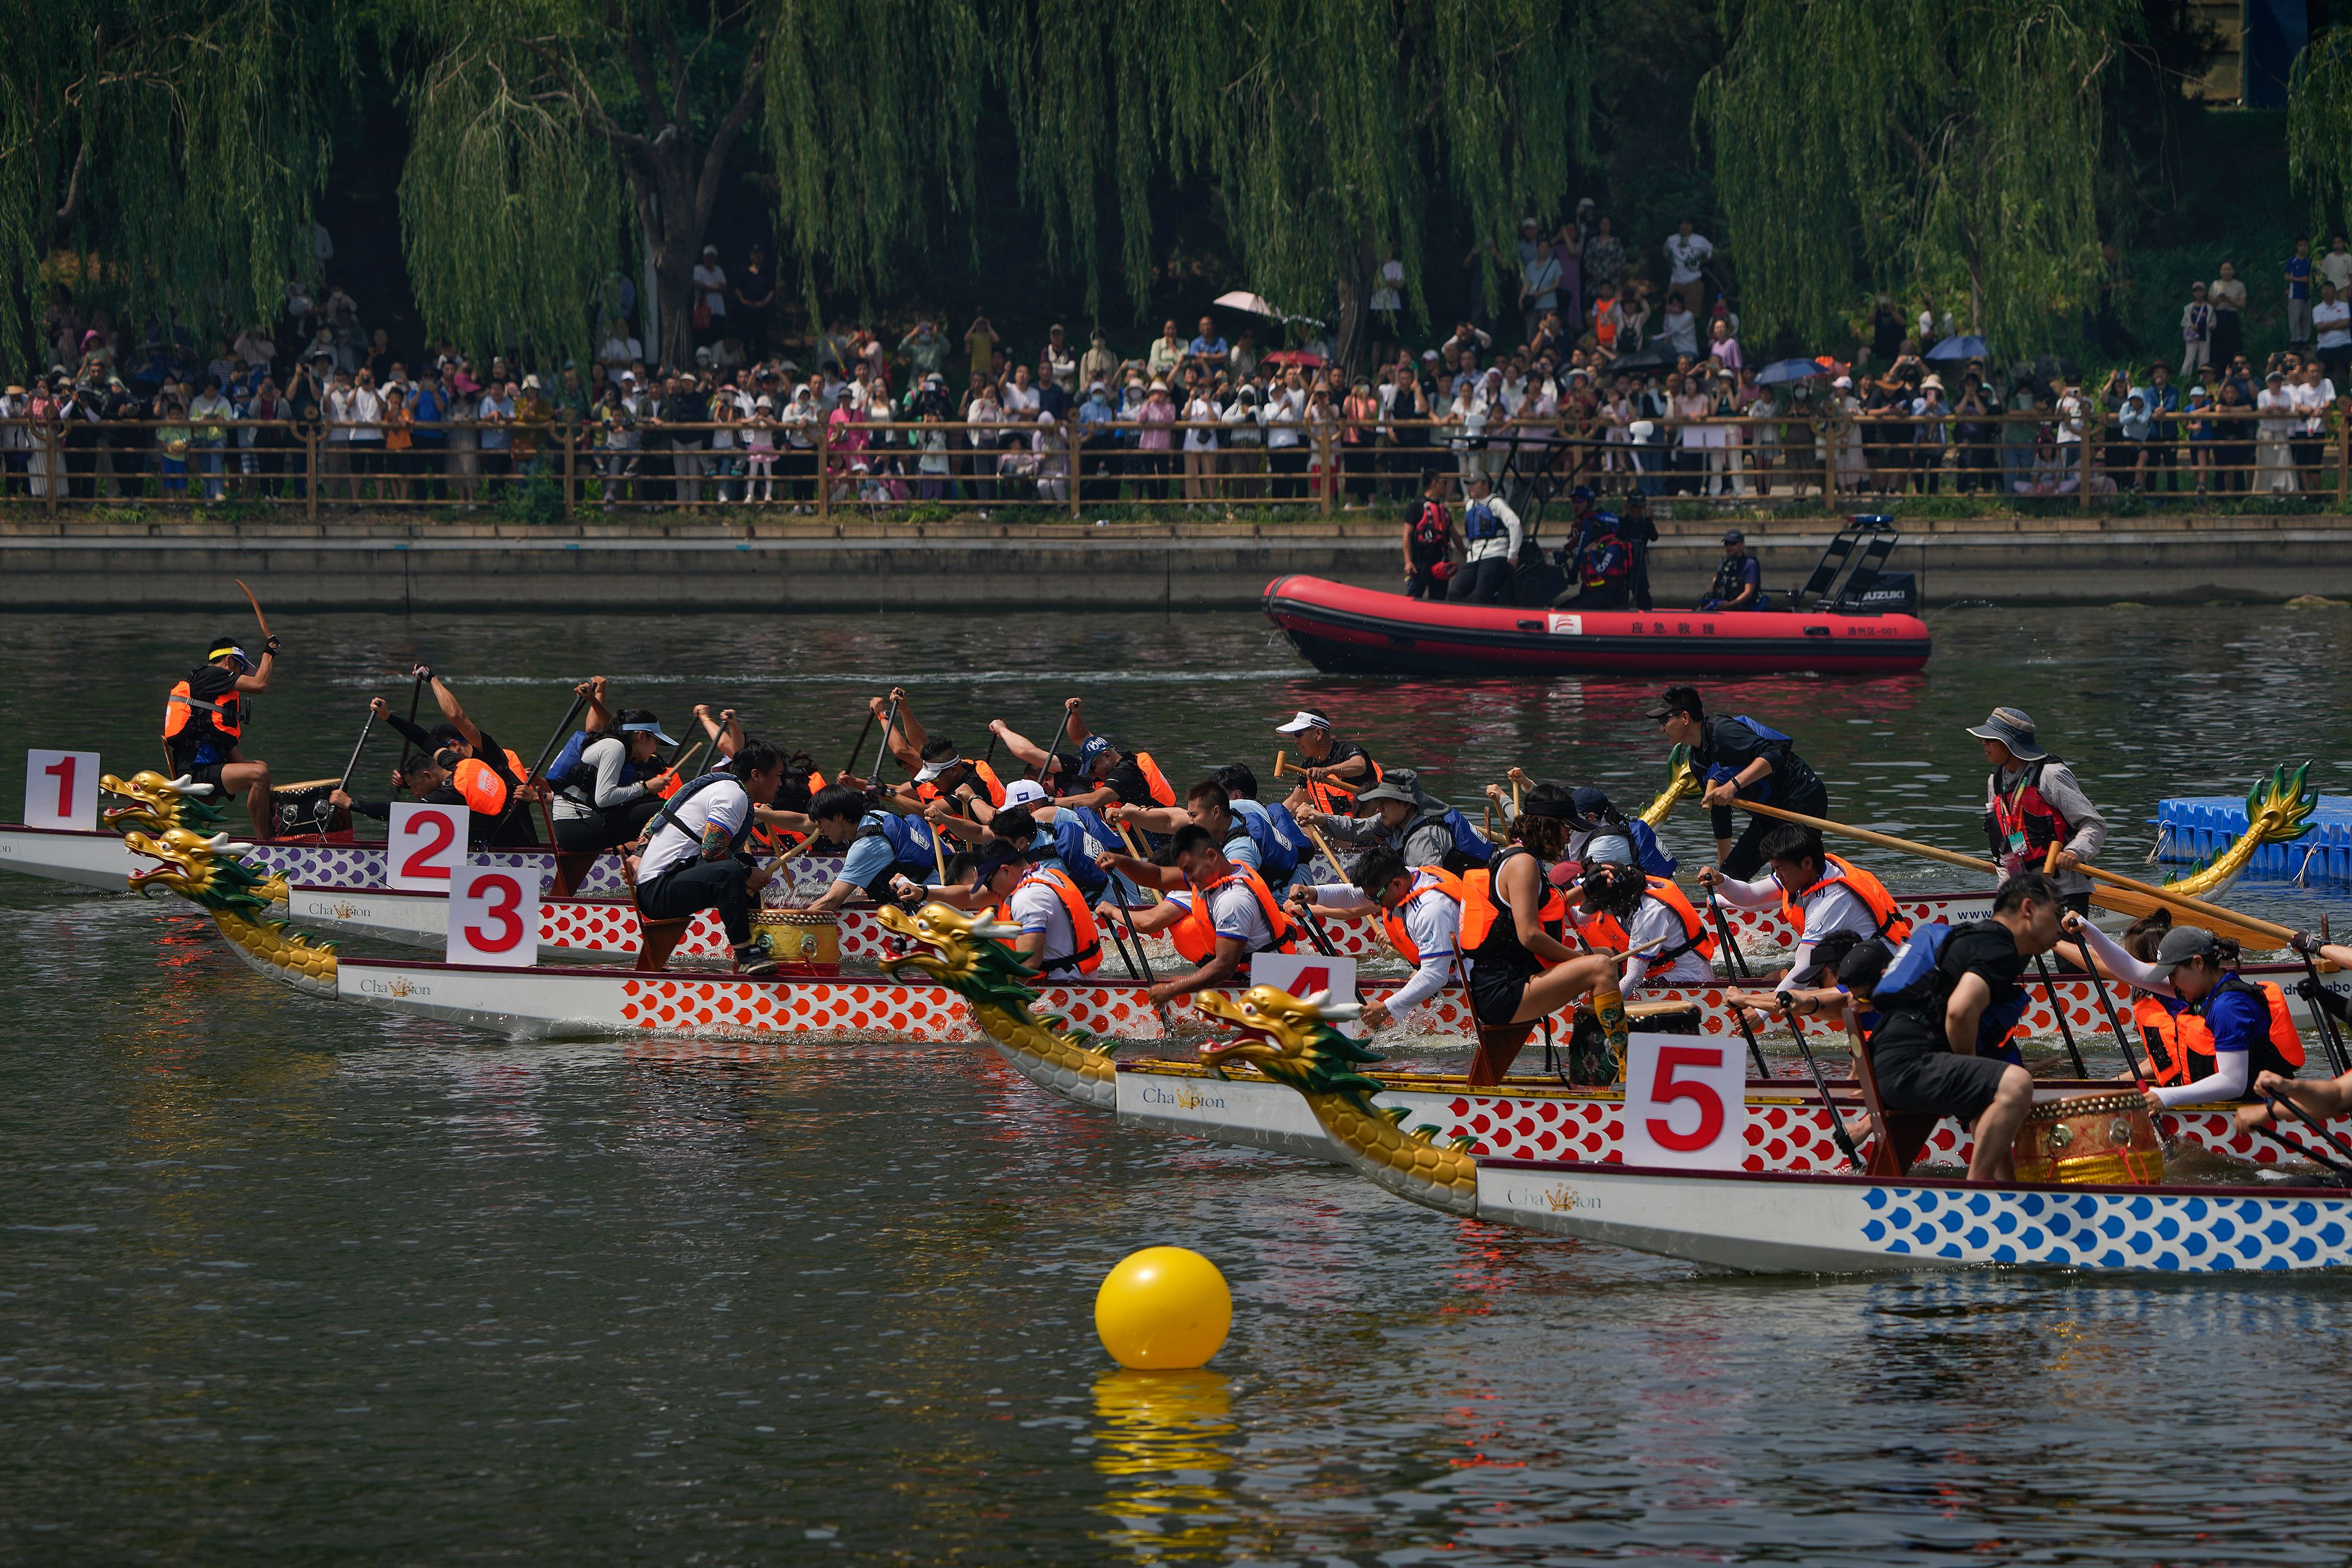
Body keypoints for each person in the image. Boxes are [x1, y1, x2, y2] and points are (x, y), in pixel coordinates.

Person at [1862, 873, 2065, 1182]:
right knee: (2017, 1084)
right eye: (2055, 914)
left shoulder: (1979, 937)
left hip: (1891, 1061)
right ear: (2028, 909)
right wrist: (1969, 1066)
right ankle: (1977, 1196)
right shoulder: (2000, 948)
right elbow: (1960, 1011)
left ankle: (2007, 1190)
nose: (2060, 928)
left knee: (1996, 1086)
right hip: (1908, 1065)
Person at [2069, 916, 2302, 1109]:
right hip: (2227, 1108)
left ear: (2198, 964)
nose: (2170, 984)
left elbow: (2233, 1083)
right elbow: (2130, 970)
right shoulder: (2202, 989)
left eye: (2173, 975)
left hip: (2260, 1111)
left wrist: (2168, 1097)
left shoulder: (2228, 1007)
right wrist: (2089, 930)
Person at [1698, 824, 1910, 1018]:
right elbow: (1752, 896)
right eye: (1774, 868)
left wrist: (1761, 1013)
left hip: (1873, 978)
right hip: (1850, 957)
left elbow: (1804, 968)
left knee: (1789, 983)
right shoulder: (1813, 870)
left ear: (1807, 863)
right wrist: (1720, 881)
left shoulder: (1830, 902)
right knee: (1771, 979)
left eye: (1780, 868)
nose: (1777, 874)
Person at [1094, 823, 1297, 1006]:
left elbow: (1224, 967)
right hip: (1251, 978)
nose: (1189, 879)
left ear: (1211, 856)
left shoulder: (1232, 901)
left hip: (1271, 991)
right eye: (1185, 871)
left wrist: (1172, 990)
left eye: (1191, 870)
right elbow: (1158, 876)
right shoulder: (1223, 870)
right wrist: (1120, 861)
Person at [633, 738, 785, 976]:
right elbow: (712, 850)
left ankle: (757, 943)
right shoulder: (732, 796)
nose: (780, 783)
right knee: (732, 872)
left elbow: (653, 822)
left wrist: (637, 854)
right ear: (757, 775)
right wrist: (747, 875)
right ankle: (746, 955)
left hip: (665, 881)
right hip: (657, 892)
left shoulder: (724, 789)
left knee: (744, 863)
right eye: (778, 776)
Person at [1649, 685, 1828, 878]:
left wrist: (1732, 786)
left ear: (1685, 718)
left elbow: (1774, 755)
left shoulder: (1724, 732)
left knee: (1798, 869)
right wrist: (1724, 866)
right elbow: (1719, 809)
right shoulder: (1697, 761)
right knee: (1732, 875)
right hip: (1767, 812)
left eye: (1665, 720)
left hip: (1802, 797)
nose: (1662, 728)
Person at [1287, 848, 1462, 1031]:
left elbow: (1435, 976)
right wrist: (1312, 893)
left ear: (1396, 884)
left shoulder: (1432, 910)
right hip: (1444, 969)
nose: (1375, 903)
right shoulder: (1404, 877)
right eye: (1370, 897)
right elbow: (1352, 895)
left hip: (1469, 981)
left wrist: (1386, 1008)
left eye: (1376, 897)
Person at [375, 665, 538, 846]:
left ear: (454, 745)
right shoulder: (456, 772)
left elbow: (456, 715)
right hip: (478, 843)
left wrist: (432, 679)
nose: (440, 765)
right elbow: (422, 739)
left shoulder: (487, 751)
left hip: (516, 843)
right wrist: (388, 717)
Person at [1966, 707, 2105, 914]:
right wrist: (2006, 892)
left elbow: (2094, 824)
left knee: (2066, 948)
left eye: (1990, 739)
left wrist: (2074, 852)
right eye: (1983, 739)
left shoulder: (2050, 774)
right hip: (2026, 892)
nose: (1984, 744)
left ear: (2010, 743)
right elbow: (2004, 846)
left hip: (2064, 890)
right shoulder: (1995, 782)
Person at [1568, 834, 1716, 1003]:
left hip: (1689, 982)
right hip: (1659, 972)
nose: (1598, 909)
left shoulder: (1649, 914)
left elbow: (1634, 978)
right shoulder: (1625, 894)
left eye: (1599, 905)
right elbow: (1577, 917)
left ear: (1616, 901)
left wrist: (1598, 1009)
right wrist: (1552, 903)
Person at [162, 632, 279, 834]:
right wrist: (270, 652)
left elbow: (227, 747)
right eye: (240, 669)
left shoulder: (212, 697)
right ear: (229, 661)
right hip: (194, 771)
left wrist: (262, 781)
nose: (240, 675)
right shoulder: (211, 675)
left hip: (208, 767)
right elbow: (260, 684)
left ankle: (193, 840)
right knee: (259, 775)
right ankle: (265, 844)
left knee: (261, 769)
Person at [550, 696, 679, 856]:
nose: (656, 749)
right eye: (656, 742)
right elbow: (604, 798)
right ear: (641, 736)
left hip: (575, 827)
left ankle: (646, 854)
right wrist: (646, 787)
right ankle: (654, 857)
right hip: (576, 829)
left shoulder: (612, 746)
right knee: (663, 807)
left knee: (655, 804)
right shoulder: (615, 747)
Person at [967, 836, 1104, 981]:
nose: (989, 891)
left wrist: (995, 1000)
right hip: (1081, 980)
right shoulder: (1047, 873)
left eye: (988, 883)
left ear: (1006, 871)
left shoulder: (1027, 898)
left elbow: (1029, 963)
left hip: (1065, 989)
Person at [1300, 771, 1488, 873]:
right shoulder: (1395, 818)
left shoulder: (1422, 840)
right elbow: (1355, 828)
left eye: (1386, 802)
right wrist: (1321, 819)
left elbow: (1431, 890)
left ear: (1407, 804)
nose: (1379, 809)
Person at [802, 781, 943, 913]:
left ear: (839, 816)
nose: (819, 829)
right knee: (853, 897)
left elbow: (832, 901)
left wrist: (794, 922)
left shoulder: (865, 846)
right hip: (936, 890)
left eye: (821, 822)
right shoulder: (877, 816)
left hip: (926, 909)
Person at [1275, 710, 1381, 814]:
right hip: (1330, 825)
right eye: (1295, 735)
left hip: (1361, 824)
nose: (1296, 741)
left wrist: (1327, 771)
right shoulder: (1308, 765)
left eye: (1299, 734)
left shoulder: (1346, 751)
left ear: (1318, 733)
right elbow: (1295, 802)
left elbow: (1360, 766)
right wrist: (1271, 817)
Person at [1447, 473, 1521, 604]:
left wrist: (1513, 554)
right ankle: (1468, 618)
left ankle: (1485, 617)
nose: (1470, 487)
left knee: (1481, 595)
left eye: (1474, 483)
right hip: (1474, 558)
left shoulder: (1497, 503)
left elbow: (1515, 524)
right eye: (1469, 484)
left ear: (1486, 484)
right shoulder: (1470, 505)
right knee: (1455, 592)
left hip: (1494, 555)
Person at [1402, 470, 1457, 600]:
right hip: (1421, 562)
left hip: (1440, 561)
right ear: (1434, 483)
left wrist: (1468, 556)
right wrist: (1408, 561)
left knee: (1439, 599)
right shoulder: (1416, 507)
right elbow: (1407, 536)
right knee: (1414, 596)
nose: (1445, 485)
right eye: (1443, 482)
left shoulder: (1443, 510)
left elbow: (1455, 535)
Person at [1697, 529, 1760, 612]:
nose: (1729, 547)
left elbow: (1748, 592)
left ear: (1742, 544)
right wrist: (1704, 604)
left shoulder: (1750, 564)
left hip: (1744, 608)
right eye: (1727, 544)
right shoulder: (1724, 563)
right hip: (1725, 605)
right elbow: (1714, 585)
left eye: (1733, 544)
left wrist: (1730, 604)